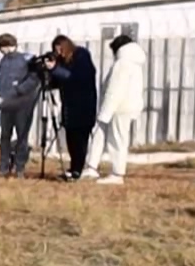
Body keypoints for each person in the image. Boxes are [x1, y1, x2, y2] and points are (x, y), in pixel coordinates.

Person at [85, 34, 147, 185]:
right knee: (109, 138)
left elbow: (115, 89)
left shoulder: (123, 63)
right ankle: (92, 167)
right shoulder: (134, 63)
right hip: (125, 107)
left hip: (118, 108)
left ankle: (117, 173)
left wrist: (105, 111)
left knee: (117, 140)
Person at [0, 33, 42, 179]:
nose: (1, 52)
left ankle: (20, 168)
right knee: (5, 137)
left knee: (21, 137)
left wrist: (18, 91)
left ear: (7, 46)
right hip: (6, 105)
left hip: (22, 106)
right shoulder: (3, 62)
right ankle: (3, 167)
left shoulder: (26, 60)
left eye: (1, 48)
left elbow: (34, 80)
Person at [48, 34, 98, 180]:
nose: (59, 53)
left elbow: (76, 78)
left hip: (83, 105)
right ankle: (73, 168)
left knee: (80, 139)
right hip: (69, 106)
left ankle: (77, 169)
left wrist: (56, 69)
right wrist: (49, 72)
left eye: (61, 49)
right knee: (70, 138)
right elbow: (58, 82)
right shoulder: (62, 62)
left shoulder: (81, 56)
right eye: (56, 50)